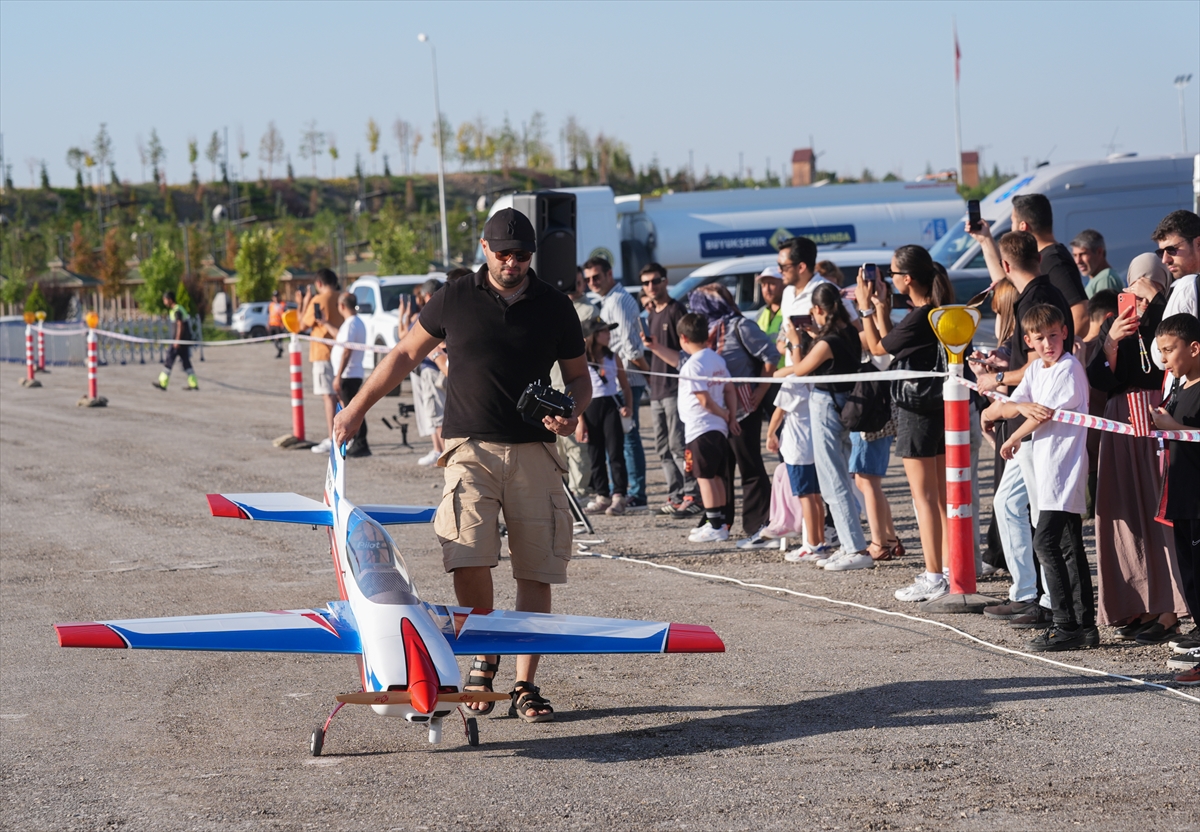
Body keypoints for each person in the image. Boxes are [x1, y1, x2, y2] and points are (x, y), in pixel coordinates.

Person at [331, 207, 591, 724]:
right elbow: (405, 354)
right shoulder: (454, 298)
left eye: (522, 256)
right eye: (503, 254)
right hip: (469, 449)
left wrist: (572, 413)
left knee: (536, 570)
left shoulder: (555, 306)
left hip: (535, 451)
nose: (513, 263)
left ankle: (525, 684)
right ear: (484, 248)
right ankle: (483, 657)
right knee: (468, 557)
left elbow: (580, 379)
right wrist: (356, 408)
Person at [971, 227, 1076, 628]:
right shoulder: (1036, 294)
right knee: (1009, 505)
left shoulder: (1039, 297)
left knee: (1036, 514)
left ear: (1006, 265)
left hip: (1038, 425)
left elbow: (1040, 363)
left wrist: (997, 382)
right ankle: (1027, 592)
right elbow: (1031, 362)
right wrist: (1000, 369)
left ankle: (1046, 599)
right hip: (1026, 423)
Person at [1086, 253, 1186, 645]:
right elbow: (1098, 378)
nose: (1141, 301)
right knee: (1123, 511)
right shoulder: (1114, 324)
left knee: (1159, 511)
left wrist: (1157, 308)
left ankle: (1171, 609)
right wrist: (1110, 341)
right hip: (1119, 420)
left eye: (1150, 288)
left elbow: (1170, 361)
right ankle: (1138, 601)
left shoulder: (1169, 317)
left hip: (1157, 416)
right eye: (1136, 289)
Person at [995, 304, 1095, 651]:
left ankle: (1065, 622)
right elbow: (1013, 404)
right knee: (1067, 544)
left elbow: (1044, 413)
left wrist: (1013, 435)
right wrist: (1020, 408)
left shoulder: (1068, 368)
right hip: (1046, 467)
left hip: (1063, 467)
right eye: (1041, 338)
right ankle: (1084, 623)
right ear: (1029, 341)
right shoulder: (1037, 369)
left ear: (1065, 332)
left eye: (1054, 335)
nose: (1049, 343)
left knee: (1047, 542)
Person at [859, 247, 955, 593]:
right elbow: (894, 347)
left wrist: (866, 308)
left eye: (893, 273)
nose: (890, 279)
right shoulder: (935, 312)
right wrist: (882, 311)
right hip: (940, 407)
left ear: (908, 278)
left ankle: (934, 576)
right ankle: (946, 569)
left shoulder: (921, 315)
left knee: (924, 497)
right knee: (942, 497)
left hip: (917, 411)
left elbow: (877, 350)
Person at [775, 282, 872, 570]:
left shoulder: (828, 341)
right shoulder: (849, 332)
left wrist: (795, 340)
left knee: (832, 481)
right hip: (844, 406)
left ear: (818, 309)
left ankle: (855, 548)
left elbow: (801, 370)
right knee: (837, 477)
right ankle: (849, 544)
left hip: (827, 406)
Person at [687, 284, 780, 539]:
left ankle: (759, 525)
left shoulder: (741, 326)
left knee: (749, 465)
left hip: (742, 408)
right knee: (720, 468)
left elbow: (771, 356)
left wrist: (757, 394)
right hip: (716, 412)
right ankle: (720, 523)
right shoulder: (706, 331)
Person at [1150, 313, 1200, 684]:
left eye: (1170, 350)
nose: (1164, 359)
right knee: (1190, 575)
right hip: (1181, 494)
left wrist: (1174, 428)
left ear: (1194, 348)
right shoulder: (1179, 387)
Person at [659, 312, 739, 543]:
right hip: (717, 428)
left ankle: (715, 525)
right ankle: (720, 522)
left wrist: (724, 414)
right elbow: (729, 389)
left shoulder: (692, 365)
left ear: (683, 339)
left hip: (701, 427)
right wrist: (730, 417)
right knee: (715, 477)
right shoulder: (717, 359)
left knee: (704, 478)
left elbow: (704, 399)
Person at [583, 257, 650, 509]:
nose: (592, 282)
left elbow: (631, 346)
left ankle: (635, 493)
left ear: (610, 274)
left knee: (628, 438)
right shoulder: (608, 300)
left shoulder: (619, 300)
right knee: (615, 441)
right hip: (615, 381)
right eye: (588, 278)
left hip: (627, 377)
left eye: (596, 277)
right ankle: (616, 491)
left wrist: (648, 373)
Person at [639, 262, 700, 517]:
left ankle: (691, 494)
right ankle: (674, 495)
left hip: (675, 388)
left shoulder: (677, 311)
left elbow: (687, 353)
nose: (651, 287)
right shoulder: (652, 312)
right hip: (656, 390)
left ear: (665, 281)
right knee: (662, 448)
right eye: (646, 283)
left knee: (678, 445)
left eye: (655, 281)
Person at [1011, 194, 1089, 339]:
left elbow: (1081, 315)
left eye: (1012, 222)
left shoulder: (1054, 261)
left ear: (1023, 227)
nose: (1011, 229)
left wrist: (1059, 357)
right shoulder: (1047, 258)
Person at [578, 318, 634, 516]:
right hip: (591, 406)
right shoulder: (582, 358)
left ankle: (620, 495)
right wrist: (580, 420)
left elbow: (625, 385)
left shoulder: (613, 357)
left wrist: (629, 406)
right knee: (595, 454)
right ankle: (602, 495)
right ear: (591, 336)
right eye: (603, 331)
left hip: (610, 405)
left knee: (615, 451)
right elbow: (577, 389)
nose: (608, 335)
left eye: (608, 331)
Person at [554, 267, 598, 498]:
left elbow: (592, 345)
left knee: (577, 443)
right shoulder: (553, 306)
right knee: (557, 445)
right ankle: (563, 488)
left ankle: (580, 490)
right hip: (553, 381)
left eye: (578, 281)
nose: (574, 286)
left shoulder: (589, 310)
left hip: (575, 383)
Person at [1146, 210, 1200, 393]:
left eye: (1172, 250)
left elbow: (1160, 354)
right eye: (1160, 252)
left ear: (1198, 243)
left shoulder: (1186, 286)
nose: (1165, 259)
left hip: (1190, 395)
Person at [1080, 290, 1119, 517]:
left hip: (1079, 457)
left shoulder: (1074, 352)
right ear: (1110, 318)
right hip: (1102, 459)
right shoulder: (1107, 352)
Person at [299, 269, 344, 453]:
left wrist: (304, 301)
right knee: (341, 394)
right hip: (340, 351)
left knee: (328, 396)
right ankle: (347, 435)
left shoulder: (318, 300)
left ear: (318, 284)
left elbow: (302, 325)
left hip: (323, 352)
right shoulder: (343, 297)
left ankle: (332, 436)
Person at [404, 278, 448, 467]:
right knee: (439, 412)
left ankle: (443, 454)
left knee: (436, 413)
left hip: (433, 368)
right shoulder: (450, 311)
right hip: (441, 367)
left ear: (428, 295)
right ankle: (439, 451)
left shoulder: (430, 314)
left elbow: (409, 340)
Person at [331, 292, 369, 457]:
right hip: (351, 372)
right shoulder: (354, 322)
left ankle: (361, 443)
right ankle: (356, 441)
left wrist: (338, 375)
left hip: (349, 373)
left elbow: (347, 351)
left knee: (353, 410)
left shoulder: (352, 323)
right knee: (351, 408)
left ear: (342, 306)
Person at [152, 290, 199, 392]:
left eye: (165, 299)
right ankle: (193, 383)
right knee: (186, 362)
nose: (164, 302)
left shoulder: (177, 310)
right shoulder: (178, 309)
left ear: (170, 299)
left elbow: (180, 325)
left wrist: (177, 340)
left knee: (169, 359)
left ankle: (163, 382)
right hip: (183, 341)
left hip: (179, 341)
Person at [1070, 229, 1124, 298]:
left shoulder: (1105, 278)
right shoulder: (1098, 278)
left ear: (1099, 252)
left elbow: (1105, 308)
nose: (1078, 261)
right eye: (1075, 255)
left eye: (1083, 254)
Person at [754, 266, 787, 368]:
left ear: (784, 285)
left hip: (787, 373)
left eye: (772, 284)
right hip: (767, 373)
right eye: (763, 285)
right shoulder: (761, 313)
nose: (767, 289)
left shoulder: (789, 311)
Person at [267, 290, 287, 358]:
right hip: (272, 324)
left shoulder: (282, 304)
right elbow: (269, 315)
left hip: (279, 324)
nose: (276, 298)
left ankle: (279, 352)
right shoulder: (271, 305)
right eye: (274, 296)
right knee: (271, 338)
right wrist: (268, 324)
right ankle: (279, 349)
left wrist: (283, 324)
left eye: (277, 296)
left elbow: (284, 315)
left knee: (279, 339)